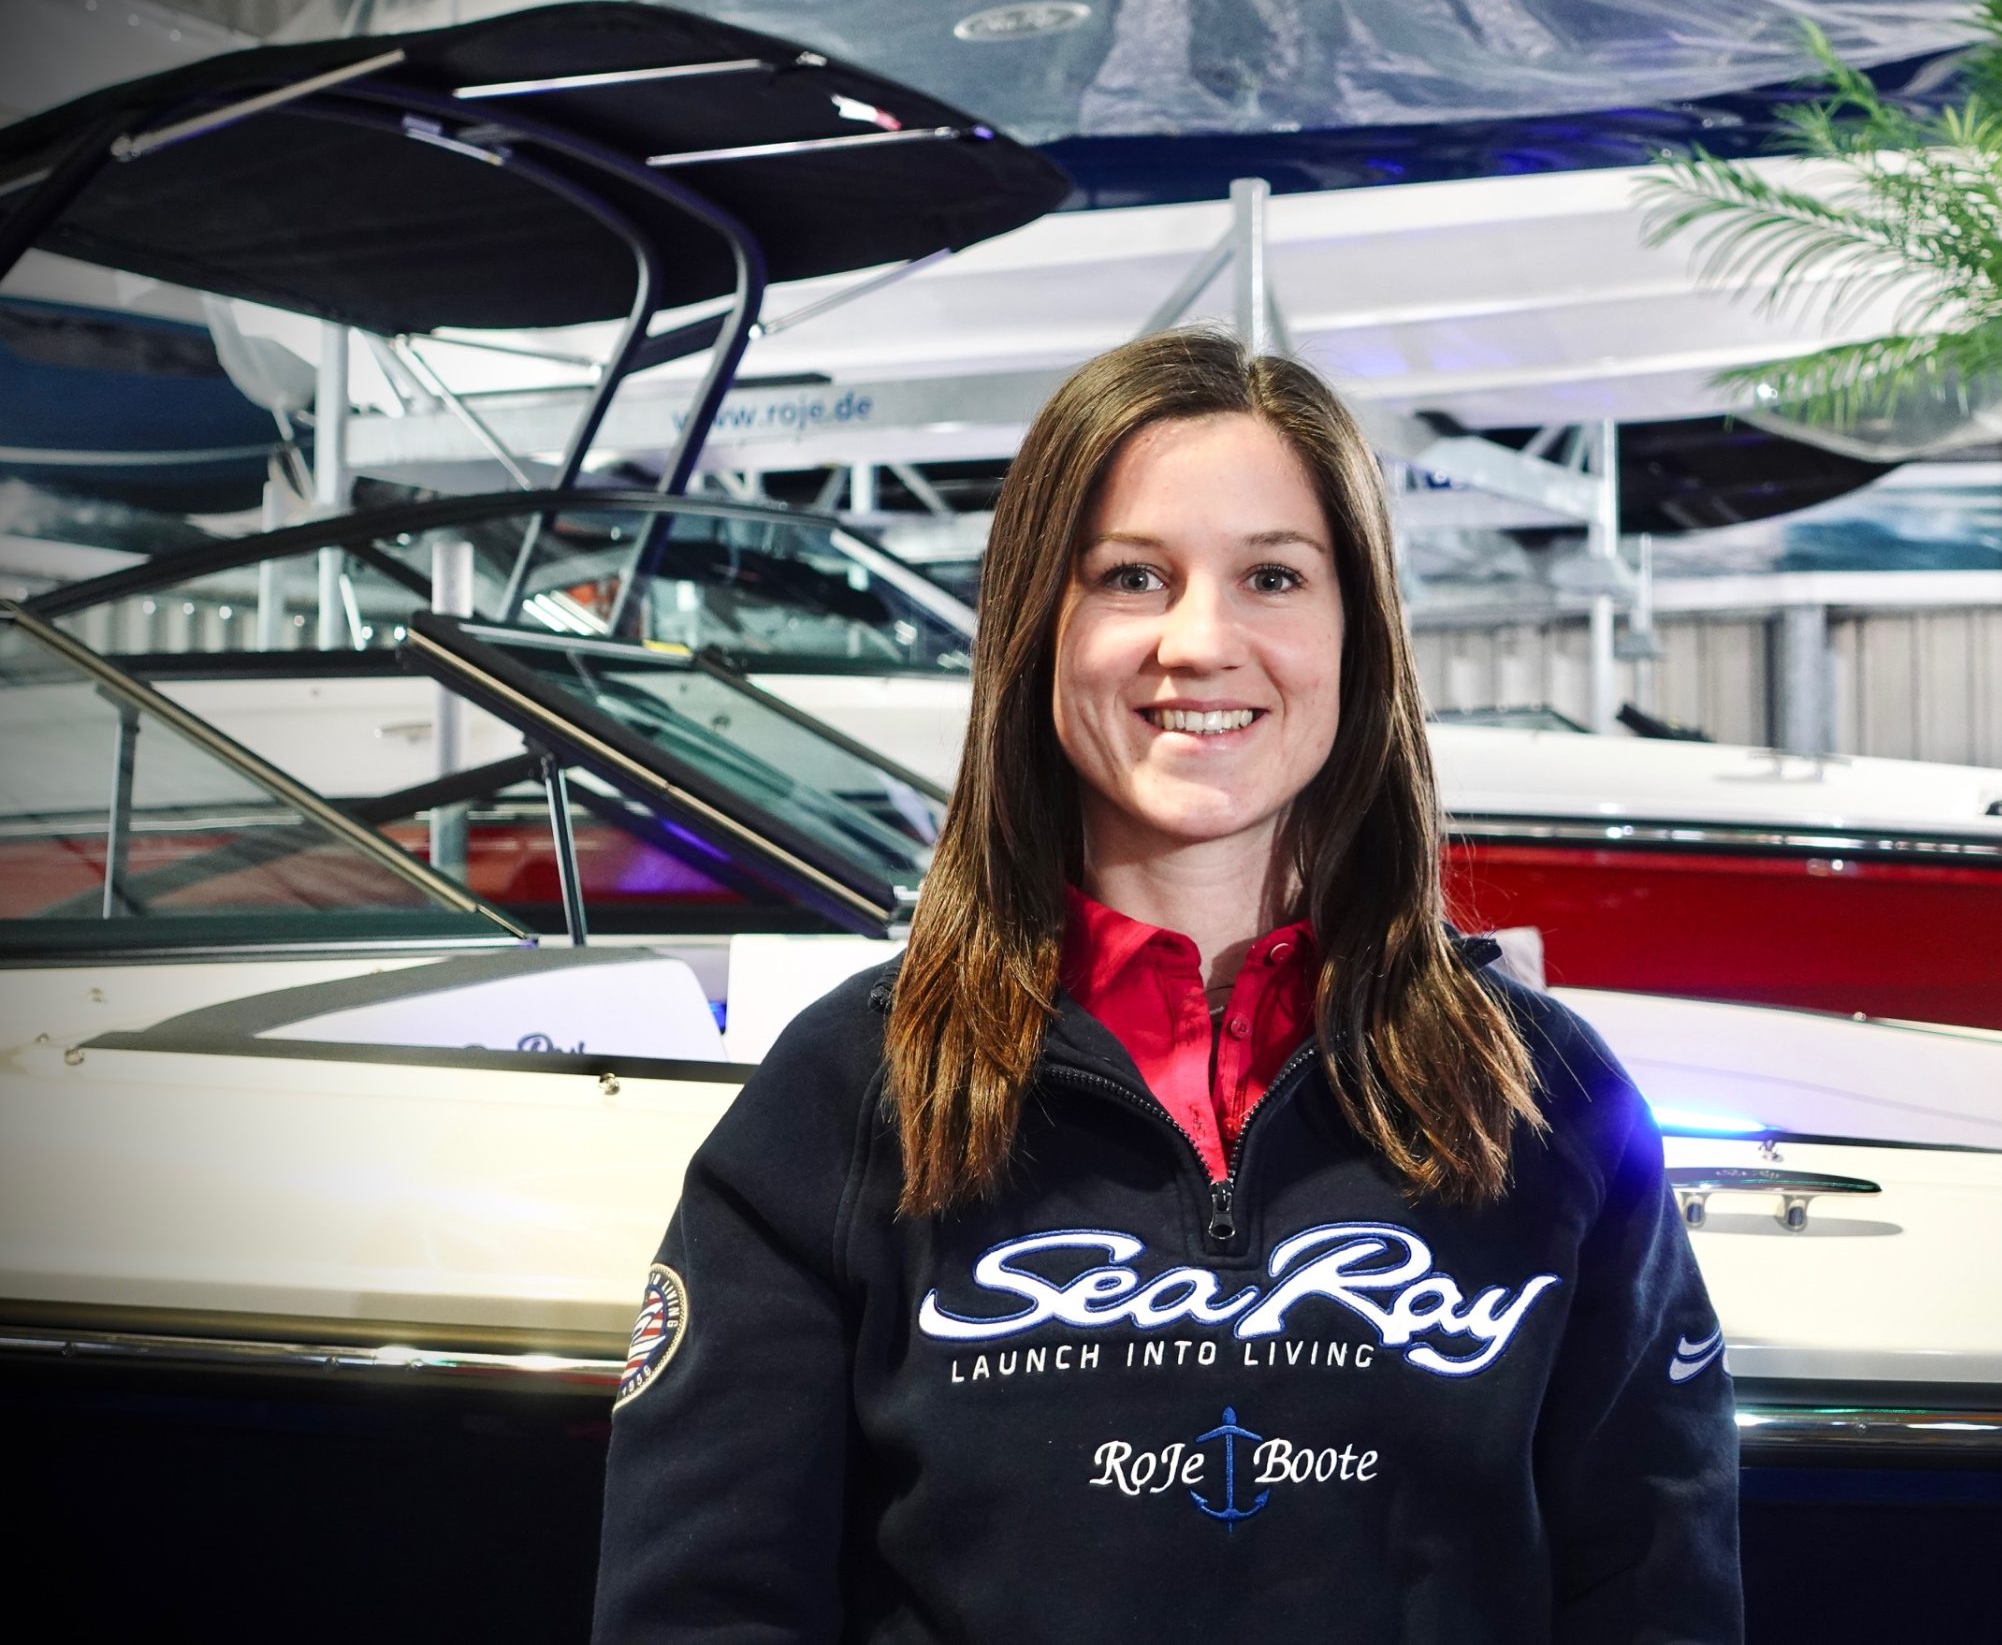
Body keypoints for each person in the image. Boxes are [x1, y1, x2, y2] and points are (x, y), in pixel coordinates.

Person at [591, 328, 1743, 1643]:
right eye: (1132, 576)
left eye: (1273, 576)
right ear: (1039, 625)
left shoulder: (1549, 1099)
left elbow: (1661, 1599)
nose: (1201, 642)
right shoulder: (843, 1098)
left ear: (1358, 635)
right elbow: (700, 1612)